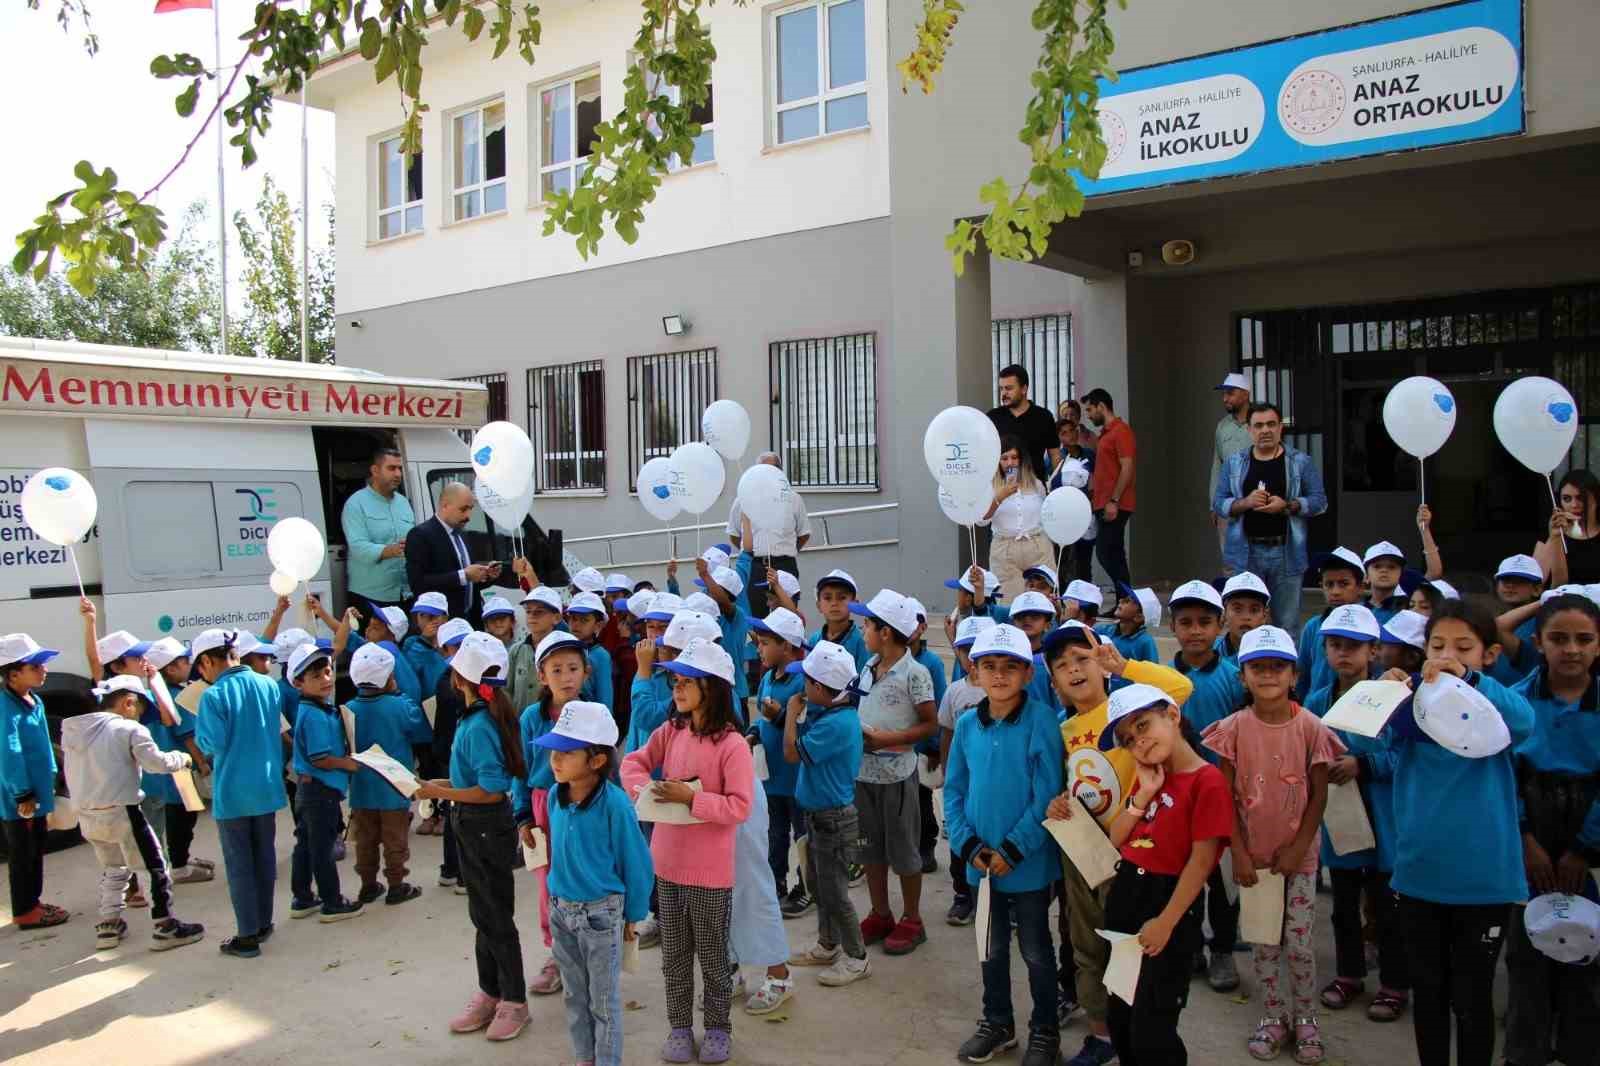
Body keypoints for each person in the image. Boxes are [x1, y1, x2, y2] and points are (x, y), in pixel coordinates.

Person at [1386, 600, 1534, 1066]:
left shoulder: (1495, 703)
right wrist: (1384, 697)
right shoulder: (1414, 702)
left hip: (1484, 880)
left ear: (1488, 655)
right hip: (1419, 874)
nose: (1448, 655)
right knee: (1428, 991)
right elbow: (1379, 747)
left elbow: (1525, 723)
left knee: (1472, 997)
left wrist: (1471, 682)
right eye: (1438, 645)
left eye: (1464, 648)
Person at [1044, 621, 1193, 1066]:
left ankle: (1136, 1027)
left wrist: (1125, 665)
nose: (1074, 670)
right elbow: (1067, 783)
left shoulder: (1127, 711)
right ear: (1052, 681)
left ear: (1101, 663)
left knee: (1130, 944)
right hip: (1085, 849)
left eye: (1082, 658)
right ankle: (1100, 1033)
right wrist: (1057, 801)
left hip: (1137, 852)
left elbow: (1180, 687)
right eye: (1062, 665)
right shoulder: (1062, 729)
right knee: (1086, 942)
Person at [1202, 625, 1343, 1065]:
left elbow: (1319, 794)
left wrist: (1300, 847)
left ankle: (1307, 1020)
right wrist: (1239, 852)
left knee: (1299, 945)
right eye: (1257, 668)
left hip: (1298, 857)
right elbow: (1223, 796)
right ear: (1243, 676)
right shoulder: (1233, 729)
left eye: (1277, 667)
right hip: (1254, 858)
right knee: (1264, 942)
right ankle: (1273, 1017)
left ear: (1293, 675)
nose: (1268, 676)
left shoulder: (1311, 728)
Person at [620, 638, 755, 1065]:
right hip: (668, 866)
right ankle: (679, 1027)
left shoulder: (732, 745)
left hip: (711, 874)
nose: (676, 690)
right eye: (675, 682)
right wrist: (646, 793)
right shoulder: (670, 731)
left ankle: (717, 1028)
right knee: (675, 957)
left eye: (686, 682)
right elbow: (632, 762)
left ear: (712, 688)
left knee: (714, 958)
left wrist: (689, 799)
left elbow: (740, 805)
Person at [944, 624, 1065, 1066]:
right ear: (974, 673)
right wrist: (968, 844)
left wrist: (1014, 848)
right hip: (981, 865)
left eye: (1010, 667)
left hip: (1027, 865)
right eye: (988, 667)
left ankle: (1045, 1031)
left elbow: (1048, 796)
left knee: (1035, 951)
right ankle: (997, 1022)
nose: (998, 676)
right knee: (990, 948)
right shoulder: (965, 726)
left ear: (1027, 675)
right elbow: (953, 791)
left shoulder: (1042, 722)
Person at [1097, 683, 1234, 1066]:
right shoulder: (1149, 776)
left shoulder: (1207, 781)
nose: (1138, 742)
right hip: (1127, 893)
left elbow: (1202, 861)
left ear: (1172, 716)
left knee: (1152, 1026)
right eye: (1127, 739)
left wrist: (1166, 922)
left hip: (1169, 901)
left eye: (1143, 726)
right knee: (1120, 1013)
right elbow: (1116, 837)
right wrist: (1142, 796)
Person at [415, 632, 532, 1043]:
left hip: (483, 824)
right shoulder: (476, 717)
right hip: (471, 821)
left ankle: (514, 1000)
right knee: (482, 914)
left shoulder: (480, 724)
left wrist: (440, 793)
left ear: (459, 678)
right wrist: (437, 784)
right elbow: (471, 779)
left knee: (495, 917)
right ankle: (490, 991)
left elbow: (493, 788)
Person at [1303, 606, 1410, 1023]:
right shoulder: (1317, 700)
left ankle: (1394, 983)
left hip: (1384, 816)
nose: (1343, 654)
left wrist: (1363, 765)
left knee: (1387, 905)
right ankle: (1348, 974)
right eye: (1335, 645)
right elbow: (1310, 749)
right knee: (1343, 903)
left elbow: (1404, 755)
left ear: (1374, 650)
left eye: (1353, 646)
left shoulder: (1393, 699)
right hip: (1340, 819)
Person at [1506, 594, 1600, 1066]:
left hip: (1591, 831)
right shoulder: (1518, 702)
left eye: (1584, 639)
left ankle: (1582, 1050)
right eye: (1558, 639)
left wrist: (1585, 848)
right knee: (1528, 951)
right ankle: (1526, 1051)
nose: (1572, 649)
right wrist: (1526, 841)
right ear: (1538, 642)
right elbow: (1506, 778)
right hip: (1531, 835)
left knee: (1588, 951)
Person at [539, 700, 655, 1066]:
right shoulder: (556, 798)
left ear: (598, 760)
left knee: (602, 1001)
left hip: (601, 916)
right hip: (561, 910)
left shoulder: (616, 805)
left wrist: (633, 916)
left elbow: (636, 863)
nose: (555, 759)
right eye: (554, 750)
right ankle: (584, 1057)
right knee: (574, 995)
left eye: (567, 752)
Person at [61, 674, 205, 953]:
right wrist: (182, 759)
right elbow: (156, 764)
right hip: (123, 813)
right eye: (139, 709)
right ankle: (165, 926)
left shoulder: (76, 732)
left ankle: (109, 924)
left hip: (88, 815)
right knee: (154, 868)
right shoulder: (129, 730)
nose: (140, 716)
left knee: (114, 869)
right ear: (129, 702)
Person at [1167, 580, 1247, 993]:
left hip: (1223, 797)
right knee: (1185, 873)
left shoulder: (1236, 677)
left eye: (1204, 622)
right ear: (1173, 627)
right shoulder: (1162, 679)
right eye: (1185, 622)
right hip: (1178, 797)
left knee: (1222, 881)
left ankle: (1223, 949)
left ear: (1220, 626)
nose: (1195, 630)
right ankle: (1191, 944)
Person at [850, 590, 939, 957]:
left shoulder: (915, 674)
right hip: (863, 776)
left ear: (885, 632)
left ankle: (912, 919)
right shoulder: (867, 668)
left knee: (903, 850)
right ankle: (880, 913)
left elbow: (930, 724)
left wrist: (890, 738)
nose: (863, 629)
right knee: (870, 849)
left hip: (898, 778)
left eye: (868, 624)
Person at [193, 628, 289, 958]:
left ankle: (246, 935)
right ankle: (263, 923)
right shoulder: (268, 685)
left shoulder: (212, 696)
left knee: (240, 865)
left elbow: (212, 743)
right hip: (267, 787)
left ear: (207, 661)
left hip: (232, 792)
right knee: (264, 857)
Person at [783, 640, 871, 988]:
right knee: (819, 885)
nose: (801, 688)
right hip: (820, 816)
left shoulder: (837, 724)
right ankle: (828, 943)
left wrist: (791, 713)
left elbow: (792, 753)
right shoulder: (832, 712)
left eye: (806, 683)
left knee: (835, 892)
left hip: (833, 819)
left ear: (820, 688)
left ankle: (857, 957)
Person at [512, 629, 591, 997]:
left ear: (585, 672)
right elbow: (522, 770)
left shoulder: (594, 713)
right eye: (556, 669)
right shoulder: (531, 717)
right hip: (545, 806)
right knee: (549, 884)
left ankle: (590, 949)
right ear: (541, 675)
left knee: (585, 876)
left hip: (586, 804)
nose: (566, 677)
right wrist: (523, 816)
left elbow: (607, 767)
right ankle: (556, 953)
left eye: (573, 668)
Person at [1215, 402, 1327, 630]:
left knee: (1287, 624)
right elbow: (1218, 503)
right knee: (1245, 624)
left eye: (1271, 424)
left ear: (1280, 428)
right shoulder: (1234, 463)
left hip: (1286, 552)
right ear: (1249, 430)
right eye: (1258, 425)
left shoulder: (1300, 462)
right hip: (1246, 554)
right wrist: (1246, 502)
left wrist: (1287, 505)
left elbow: (1320, 501)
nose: (1265, 430)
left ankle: (1286, 666)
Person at [346, 643, 431, 907]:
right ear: (387, 679)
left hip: (361, 788)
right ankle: (397, 884)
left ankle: (368, 885)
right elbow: (419, 729)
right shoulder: (399, 706)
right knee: (395, 839)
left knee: (365, 839)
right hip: (395, 786)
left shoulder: (348, 708)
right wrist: (402, 696)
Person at [285, 643, 365, 924]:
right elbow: (320, 758)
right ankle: (332, 901)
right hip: (320, 790)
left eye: (328, 672)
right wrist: (348, 763)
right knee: (322, 849)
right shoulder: (315, 715)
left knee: (306, 845)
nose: (326, 680)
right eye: (316, 677)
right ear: (298, 682)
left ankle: (303, 897)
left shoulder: (317, 709)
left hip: (311, 790)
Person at [2, 634, 66, 932]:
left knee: (35, 846)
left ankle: (34, 902)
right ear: (13, 673)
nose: (45, 669)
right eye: (36, 665)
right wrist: (23, 792)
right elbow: (9, 753)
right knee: (23, 851)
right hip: (21, 799)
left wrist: (52, 779)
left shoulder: (33, 699)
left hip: (37, 793)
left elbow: (42, 745)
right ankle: (25, 910)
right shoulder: (5, 707)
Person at [749, 607, 810, 917]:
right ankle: (776, 883)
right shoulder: (768, 678)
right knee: (774, 833)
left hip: (797, 776)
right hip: (771, 775)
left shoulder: (801, 681)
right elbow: (761, 718)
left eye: (764, 643)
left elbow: (806, 723)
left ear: (786, 645)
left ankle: (807, 887)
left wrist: (780, 716)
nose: (758, 648)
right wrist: (752, 734)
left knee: (803, 835)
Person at [145, 637, 216, 884]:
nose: (189, 665)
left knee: (179, 814)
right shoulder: (179, 695)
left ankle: (181, 858)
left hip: (166, 768)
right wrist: (203, 764)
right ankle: (179, 864)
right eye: (184, 661)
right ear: (170, 668)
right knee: (184, 815)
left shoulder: (157, 693)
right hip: (183, 769)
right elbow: (187, 736)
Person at [938, 616, 993, 926]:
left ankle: (1000, 897)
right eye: (964, 649)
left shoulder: (1004, 693)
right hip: (964, 784)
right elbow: (946, 732)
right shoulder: (955, 692)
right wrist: (948, 773)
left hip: (994, 784)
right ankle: (963, 895)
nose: (971, 656)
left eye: (978, 649)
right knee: (961, 841)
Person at [405, 482, 502, 626]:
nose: (468, 516)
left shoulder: (461, 533)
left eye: (471, 509)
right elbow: (418, 584)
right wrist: (464, 575)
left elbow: (467, 582)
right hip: (441, 624)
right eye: (463, 509)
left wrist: (485, 575)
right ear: (445, 505)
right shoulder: (420, 535)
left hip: (469, 619)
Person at [727, 452, 811, 617]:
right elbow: (734, 535)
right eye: (763, 469)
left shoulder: (793, 499)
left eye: (773, 469)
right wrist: (752, 553)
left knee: (786, 618)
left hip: (785, 565)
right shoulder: (742, 499)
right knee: (756, 617)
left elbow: (803, 534)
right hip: (756, 567)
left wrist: (785, 551)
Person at [340, 444, 415, 612]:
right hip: (370, 598)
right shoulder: (356, 504)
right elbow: (358, 547)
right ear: (375, 470)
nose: (397, 474)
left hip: (404, 595)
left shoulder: (403, 503)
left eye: (399, 469)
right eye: (391, 468)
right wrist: (390, 550)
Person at [980, 436, 1054, 601]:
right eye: (1004, 458)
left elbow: (1046, 515)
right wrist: (1000, 497)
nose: (1010, 463)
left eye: (1014, 458)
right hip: (1005, 548)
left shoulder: (1036, 484)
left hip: (1037, 545)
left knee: (1042, 601)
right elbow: (981, 519)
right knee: (1007, 602)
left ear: (1021, 460)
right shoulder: (989, 486)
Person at [1081, 388, 1137, 590]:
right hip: (1104, 502)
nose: (1088, 415)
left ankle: (1128, 598)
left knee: (1105, 552)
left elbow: (1127, 466)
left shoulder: (1121, 431)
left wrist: (1114, 501)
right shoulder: (1105, 434)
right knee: (1114, 553)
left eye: (1089, 410)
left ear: (1101, 407)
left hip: (1115, 504)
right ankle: (1124, 600)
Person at [989, 364, 1061, 485]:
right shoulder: (992, 417)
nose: (1004, 393)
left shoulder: (1043, 417)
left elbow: (1055, 456)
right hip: (1001, 491)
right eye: (1001, 388)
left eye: (1009, 388)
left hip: (1035, 489)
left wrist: (1057, 487)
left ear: (1024, 389)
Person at [1211, 373, 1255, 573]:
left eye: (1230, 393)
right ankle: (1233, 601)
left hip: (1255, 500)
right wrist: (1213, 502)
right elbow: (1217, 465)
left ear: (1245, 394)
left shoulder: (1259, 423)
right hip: (1228, 502)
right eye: (1224, 394)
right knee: (1229, 560)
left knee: (1256, 556)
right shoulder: (1222, 427)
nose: (1225, 398)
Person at [1048, 422, 1096, 583]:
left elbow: (1098, 479)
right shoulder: (1055, 459)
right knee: (1063, 560)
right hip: (1062, 515)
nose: (1070, 435)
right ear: (1059, 437)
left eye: (1073, 431)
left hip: (1084, 512)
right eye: (1064, 433)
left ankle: (1087, 603)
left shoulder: (1089, 455)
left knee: (1084, 560)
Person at [1537, 469, 1600, 587]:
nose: (1574, 505)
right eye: (1567, 499)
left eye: (1581, 498)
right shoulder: (1550, 534)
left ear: (1596, 499)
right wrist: (1554, 538)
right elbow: (1535, 584)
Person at [808, 569, 870, 670]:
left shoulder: (862, 642)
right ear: (818, 605)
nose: (834, 603)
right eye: (827, 598)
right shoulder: (814, 640)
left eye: (842, 597)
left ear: (855, 604)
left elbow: (863, 681)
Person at [565, 592, 615, 712]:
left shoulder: (600, 656)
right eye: (573, 618)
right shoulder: (563, 651)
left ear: (598, 625)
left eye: (584, 620)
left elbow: (605, 700)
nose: (576, 624)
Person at [1096, 585, 1162, 664]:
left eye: (1127, 601)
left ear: (1138, 617)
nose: (1120, 600)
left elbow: (1152, 672)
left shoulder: (1145, 642)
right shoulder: (1102, 630)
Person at [1219, 572, 1273, 666]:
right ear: (1224, 613)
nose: (1246, 617)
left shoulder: (1276, 654)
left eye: (1254, 610)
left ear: (1265, 615)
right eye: (1237, 609)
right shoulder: (1210, 653)